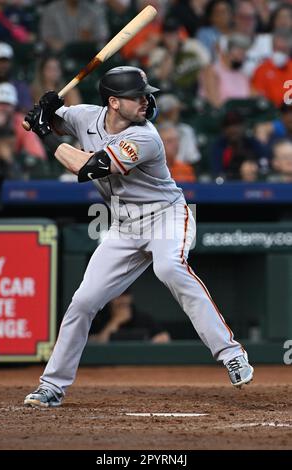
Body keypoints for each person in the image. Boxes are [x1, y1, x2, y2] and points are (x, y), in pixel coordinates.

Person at [23, 65, 254, 408]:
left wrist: (45, 133)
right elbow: (53, 118)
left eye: (147, 95)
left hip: (166, 217)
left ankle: (231, 353)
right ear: (113, 102)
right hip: (124, 226)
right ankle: (51, 386)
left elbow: (86, 168)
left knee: (170, 268)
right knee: (83, 302)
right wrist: (47, 110)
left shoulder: (145, 136)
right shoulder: (86, 115)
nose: (146, 101)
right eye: (138, 96)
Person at [90, 289, 170, 343]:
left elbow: (164, 337)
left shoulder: (143, 318)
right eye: (117, 296)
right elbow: (97, 343)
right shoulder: (100, 318)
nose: (122, 300)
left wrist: (152, 342)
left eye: (125, 295)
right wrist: (115, 321)